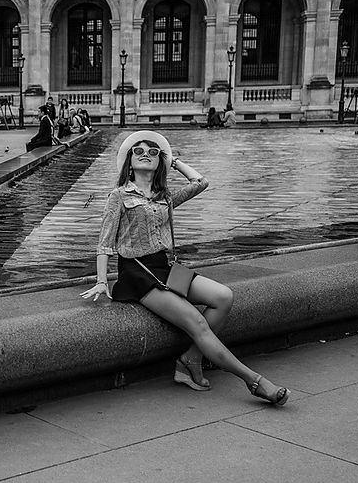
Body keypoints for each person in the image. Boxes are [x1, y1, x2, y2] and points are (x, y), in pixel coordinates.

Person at [79, 131, 291, 406]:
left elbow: (200, 182)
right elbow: (105, 242)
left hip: (165, 266)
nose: (145, 154)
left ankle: (191, 358)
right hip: (139, 273)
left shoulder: (164, 197)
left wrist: (174, 161)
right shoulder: (118, 196)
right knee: (197, 322)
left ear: (160, 161)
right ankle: (254, 381)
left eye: (153, 152)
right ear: (129, 162)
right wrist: (101, 281)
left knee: (223, 297)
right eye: (138, 151)